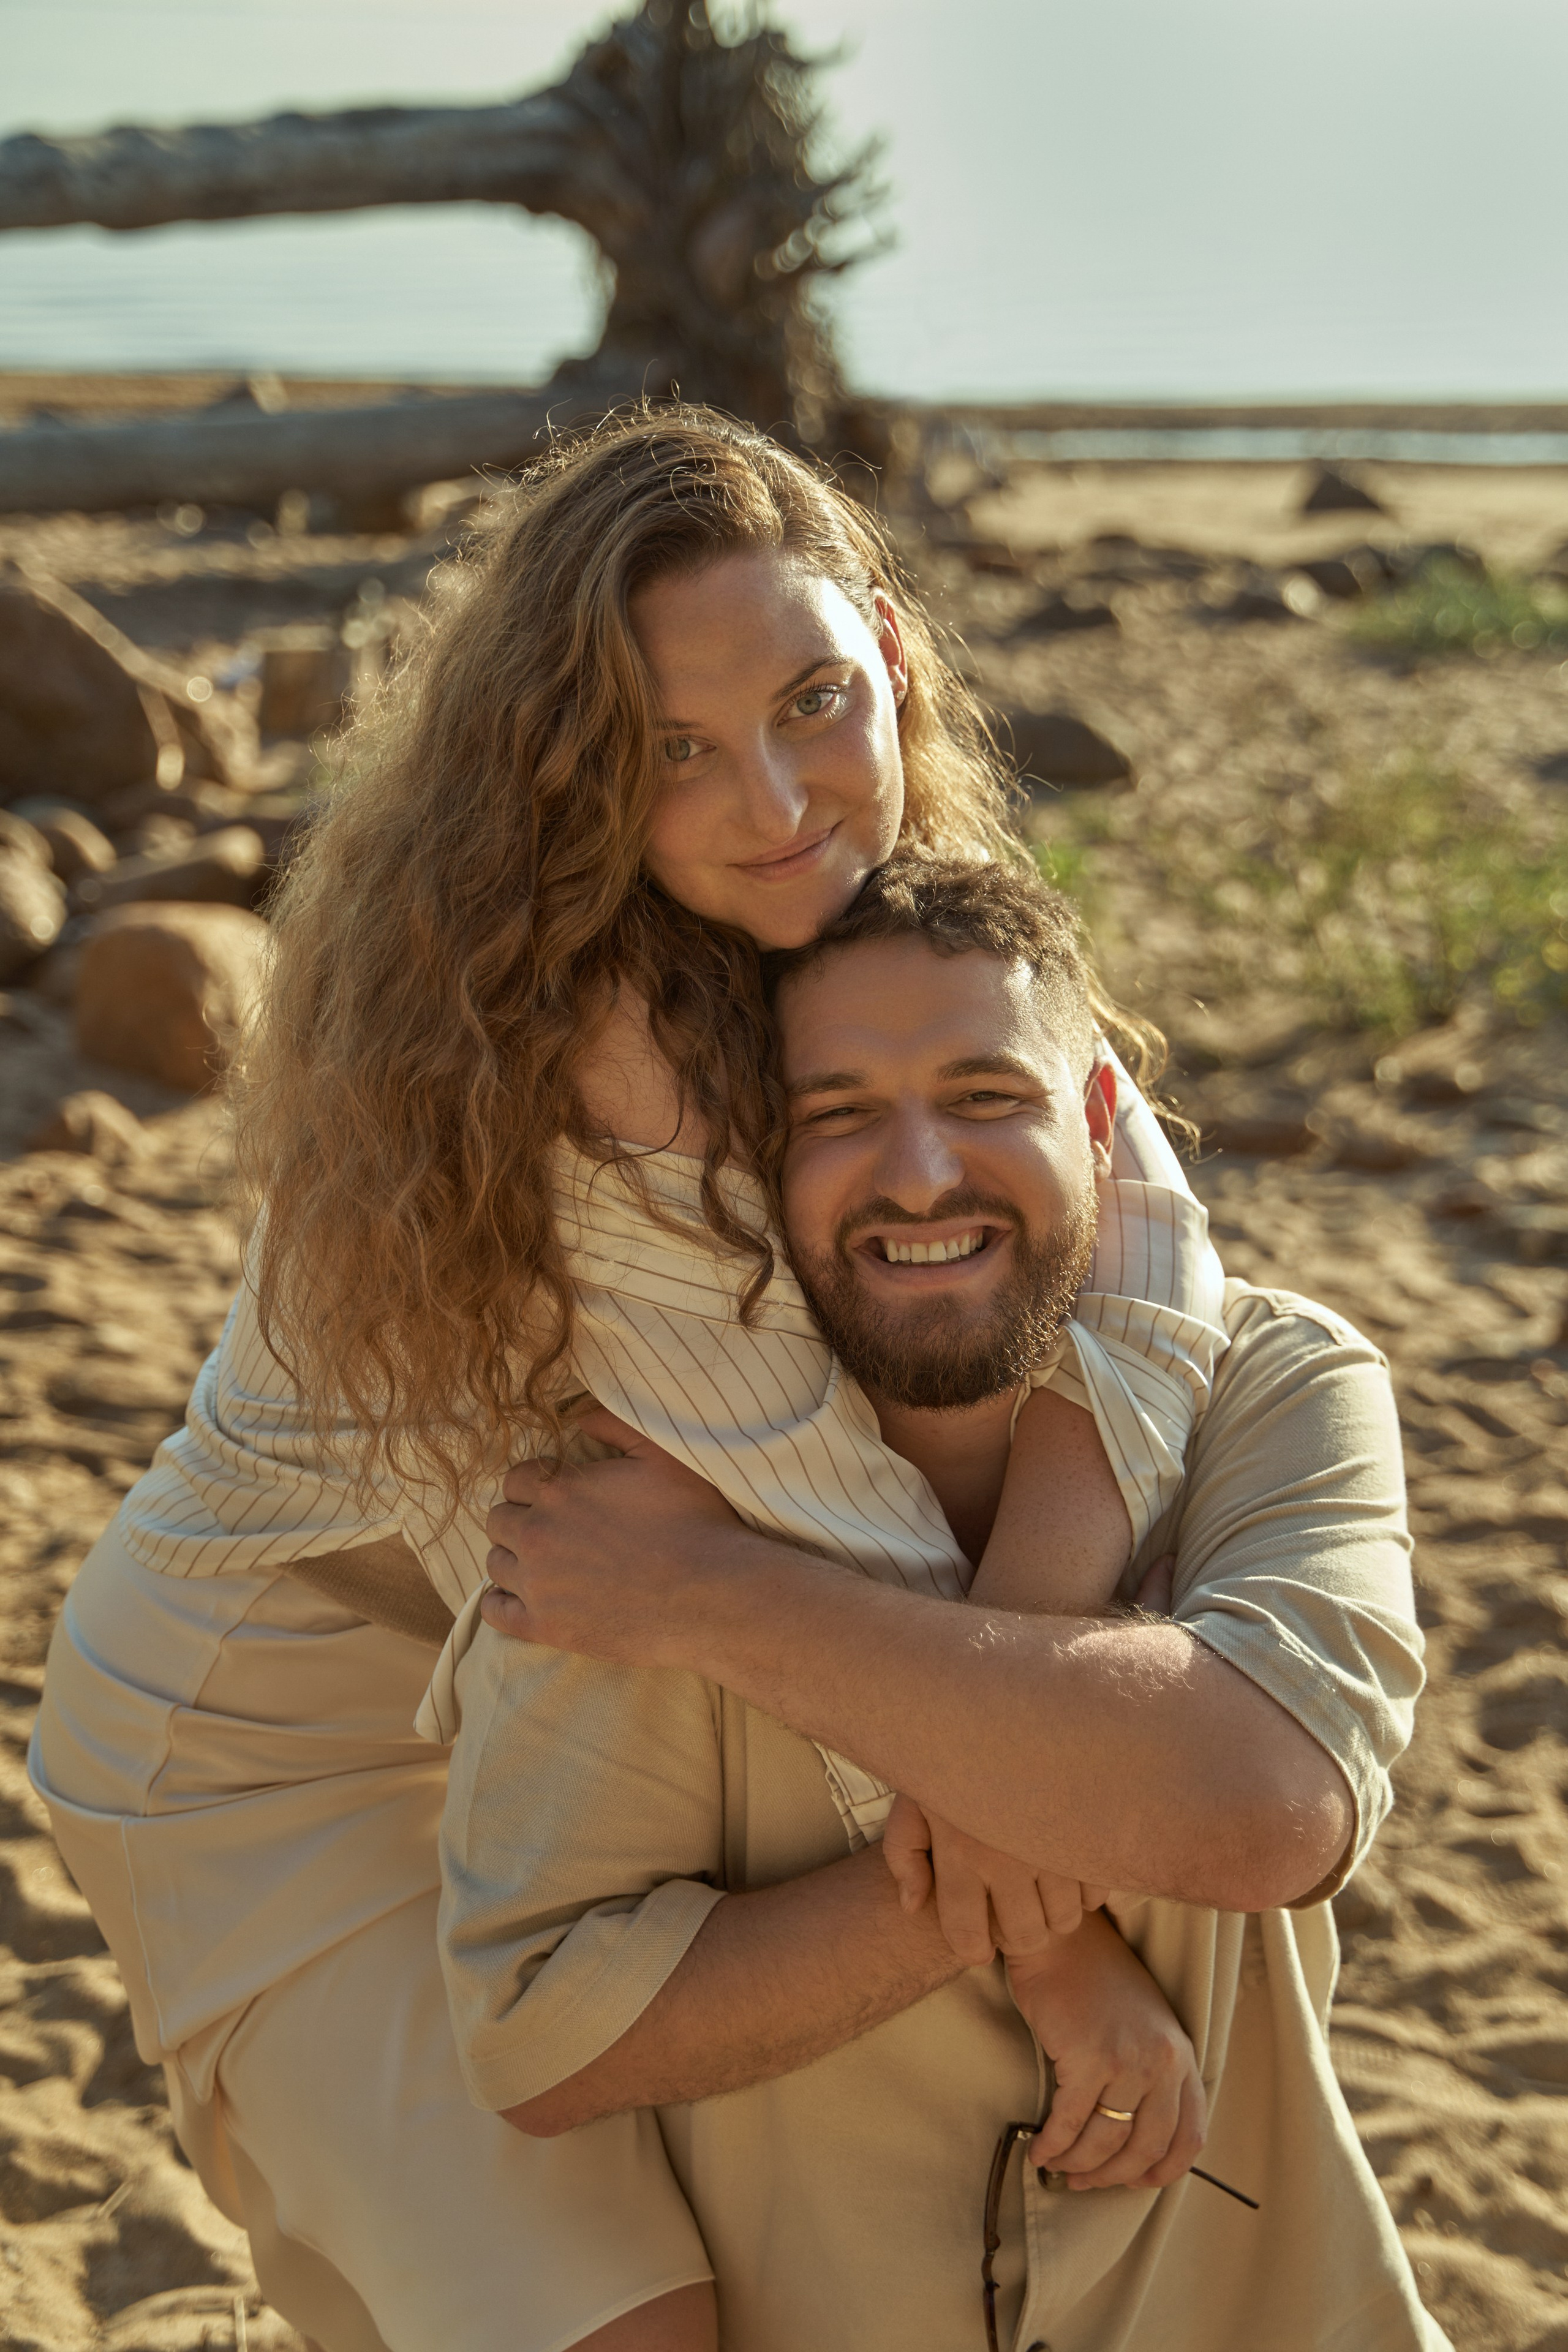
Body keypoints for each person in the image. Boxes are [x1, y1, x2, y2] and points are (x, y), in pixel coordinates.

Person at [29, 409, 1229, 2352]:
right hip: (258, 1744)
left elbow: (1158, 1247)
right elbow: (820, 1523)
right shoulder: (573, 1048)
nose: (774, 796)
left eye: (818, 701)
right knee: (622, 2327)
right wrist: (1063, 1905)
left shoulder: (894, 910)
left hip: (546, 1700)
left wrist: (1033, 1647)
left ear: (895, 669)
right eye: (675, 750)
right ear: (571, 768)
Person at [454, 858, 1448, 2352]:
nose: (918, 1176)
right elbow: (540, 2032)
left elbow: (1266, 1805)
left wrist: (724, 1607)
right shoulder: (648, 1477)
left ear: (1101, 1128)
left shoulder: (1282, 1383)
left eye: (986, 1096)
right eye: (837, 1114)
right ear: (753, 1162)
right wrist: (1068, 1839)